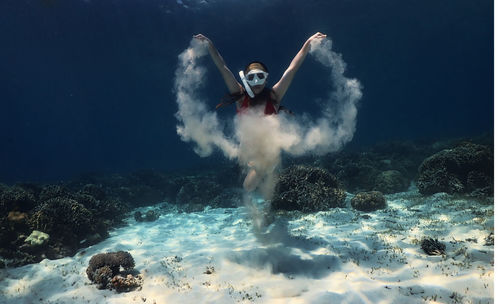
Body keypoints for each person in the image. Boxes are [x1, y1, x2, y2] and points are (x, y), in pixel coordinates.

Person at [193, 32, 327, 195]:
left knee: (268, 182)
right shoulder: (241, 96)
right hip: (246, 148)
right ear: (246, 79)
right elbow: (223, 68)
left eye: (260, 77)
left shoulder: (274, 96)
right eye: (252, 77)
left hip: (270, 147)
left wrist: (307, 44)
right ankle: (260, 186)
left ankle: (268, 198)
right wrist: (210, 45)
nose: (256, 82)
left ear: (266, 79)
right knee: (248, 185)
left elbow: (292, 69)